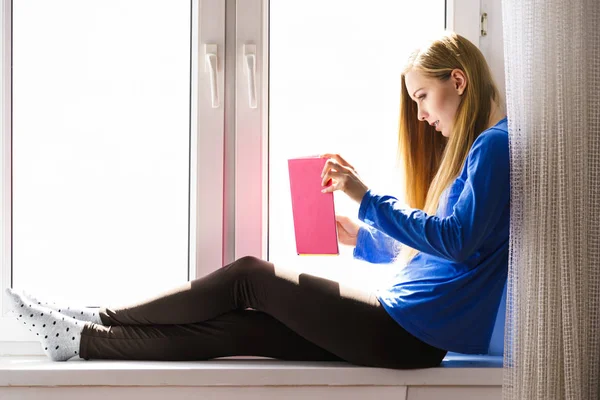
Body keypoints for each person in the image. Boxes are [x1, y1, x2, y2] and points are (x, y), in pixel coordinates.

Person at [4, 30, 509, 369]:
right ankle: (81, 340)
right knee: (244, 332)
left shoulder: (495, 146)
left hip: (409, 329)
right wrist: (364, 237)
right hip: (409, 332)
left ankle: (97, 316)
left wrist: (366, 198)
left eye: (422, 96)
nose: (420, 114)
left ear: (457, 81)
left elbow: (459, 241)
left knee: (251, 277)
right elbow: (449, 254)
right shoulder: (483, 150)